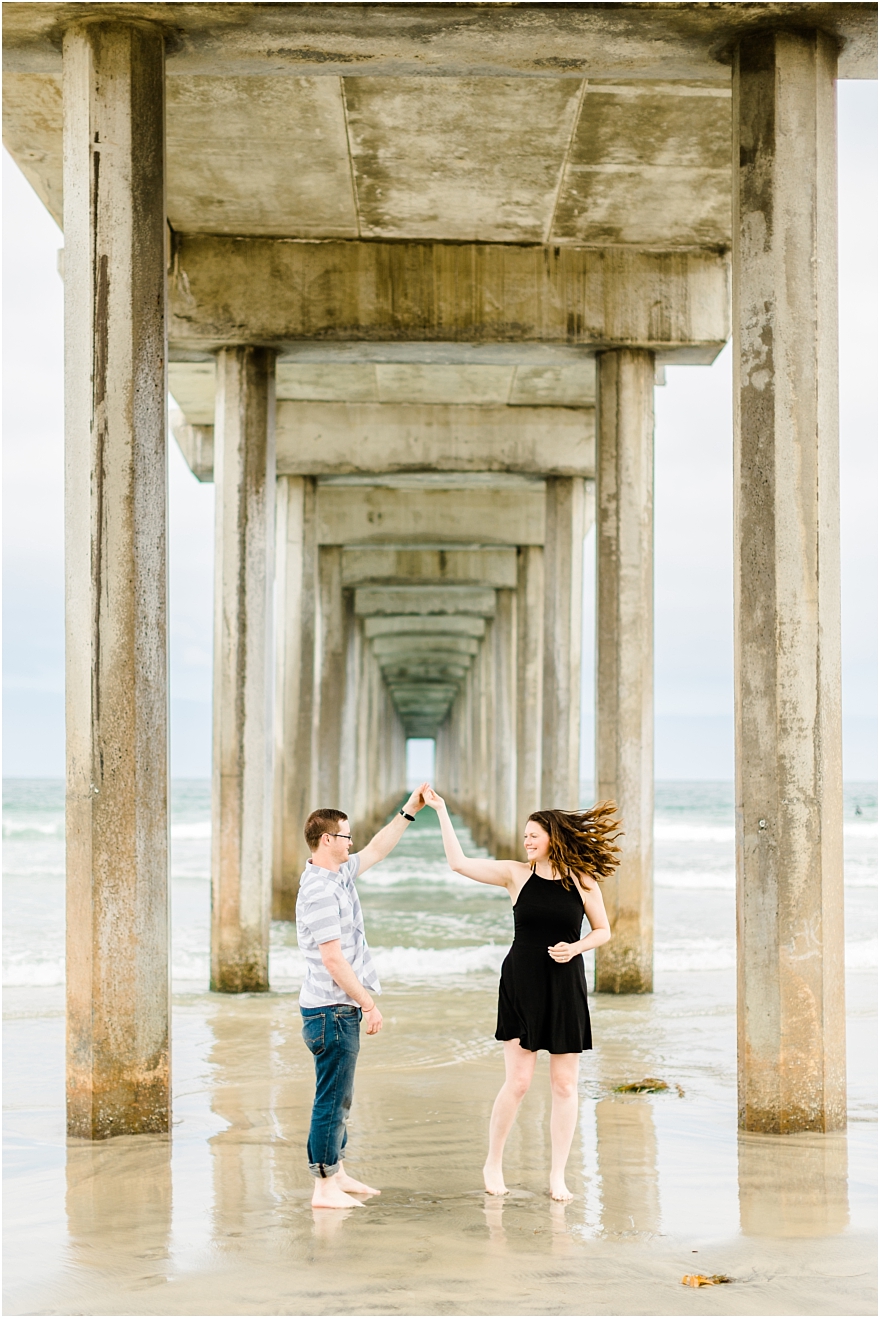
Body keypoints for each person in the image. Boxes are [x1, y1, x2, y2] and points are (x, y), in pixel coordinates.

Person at [422, 787, 619, 1201]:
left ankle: (558, 1176)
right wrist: (440, 810)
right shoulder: (516, 874)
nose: (526, 841)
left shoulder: (583, 881)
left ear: (553, 837)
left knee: (565, 1086)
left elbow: (603, 931)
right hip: (522, 981)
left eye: (533, 835)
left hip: (565, 985)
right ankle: (493, 1162)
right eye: (525, 835)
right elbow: (458, 863)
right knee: (519, 1082)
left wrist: (576, 947)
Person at [297, 786, 429, 1209]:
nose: (352, 843)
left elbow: (375, 850)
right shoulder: (319, 890)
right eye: (346, 837)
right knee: (331, 1098)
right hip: (331, 1010)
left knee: (341, 1096)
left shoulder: (338, 875)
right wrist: (368, 1003)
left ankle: (337, 1170)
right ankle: (323, 1186)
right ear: (327, 841)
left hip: (337, 1008)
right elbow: (333, 960)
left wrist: (409, 811)